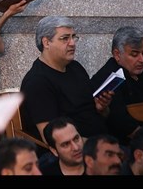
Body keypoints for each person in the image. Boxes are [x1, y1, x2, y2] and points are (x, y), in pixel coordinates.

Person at [20, 15, 112, 143]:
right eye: (65, 38)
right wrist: (97, 147)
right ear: (46, 42)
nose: (72, 43)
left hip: (101, 140)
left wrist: (101, 108)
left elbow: (95, 114)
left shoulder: (75, 68)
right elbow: (52, 139)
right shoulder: (37, 82)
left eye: (73, 37)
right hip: (77, 153)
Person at [91, 26, 143, 145]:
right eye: (135, 54)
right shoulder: (109, 80)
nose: (142, 59)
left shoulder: (140, 76)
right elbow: (124, 125)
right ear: (117, 54)